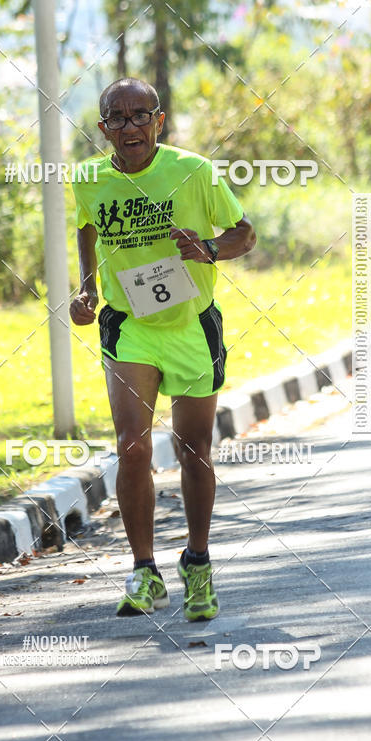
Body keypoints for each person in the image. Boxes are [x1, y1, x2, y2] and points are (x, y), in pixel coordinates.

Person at [70, 77, 256, 621]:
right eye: (117, 118)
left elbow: (244, 233)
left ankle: (197, 561)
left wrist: (210, 250)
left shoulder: (194, 171)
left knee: (195, 446)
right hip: (130, 327)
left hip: (191, 326)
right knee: (132, 445)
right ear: (103, 129)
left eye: (139, 115)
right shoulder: (87, 178)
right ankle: (144, 569)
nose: (129, 126)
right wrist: (87, 285)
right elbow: (87, 226)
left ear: (160, 120)